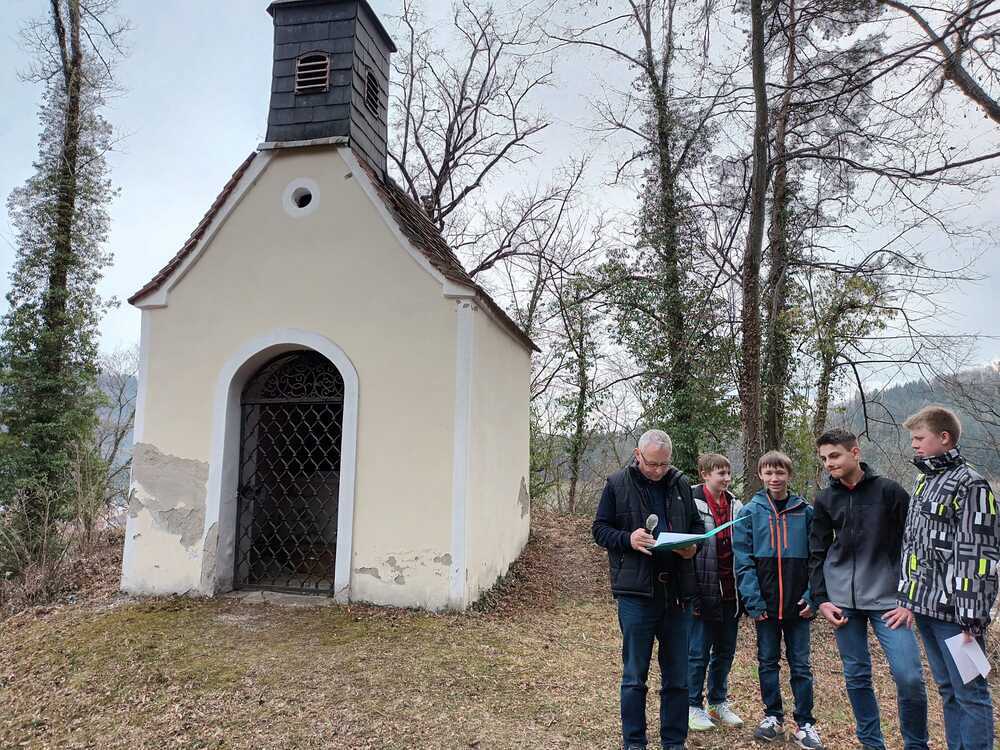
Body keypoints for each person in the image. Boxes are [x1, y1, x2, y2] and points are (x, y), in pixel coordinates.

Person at [809, 428, 928, 750]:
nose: (828, 463)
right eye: (824, 458)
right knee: (857, 676)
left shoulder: (890, 491)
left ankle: (917, 744)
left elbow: (914, 547)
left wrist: (908, 598)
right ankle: (871, 744)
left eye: (834, 455)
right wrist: (821, 600)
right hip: (842, 602)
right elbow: (817, 551)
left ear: (855, 452)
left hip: (889, 601)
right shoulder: (825, 499)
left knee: (909, 677)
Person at [593, 429, 705, 750]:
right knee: (634, 676)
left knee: (677, 677)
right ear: (637, 455)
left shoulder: (680, 484)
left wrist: (692, 547)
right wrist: (628, 538)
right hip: (637, 595)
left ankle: (674, 742)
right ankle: (634, 743)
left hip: (677, 594)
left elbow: (697, 527)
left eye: (664, 464)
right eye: (652, 463)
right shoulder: (617, 484)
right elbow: (600, 530)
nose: (658, 470)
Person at [897, 405, 998, 750]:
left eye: (919, 438)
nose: (914, 444)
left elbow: (978, 555)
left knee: (971, 694)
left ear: (944, 437)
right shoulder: (924, 481)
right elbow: (914, 546)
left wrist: (972, 618)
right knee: (948, 690)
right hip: (926, 610)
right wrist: (908, 599)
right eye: (913, 439)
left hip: (957, 617)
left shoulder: (971, 484)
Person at [733, 450, 822, 750]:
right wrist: (753, 601)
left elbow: (817, 559)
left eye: (780, 472)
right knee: (767, 662)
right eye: (769, 472)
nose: (774, 478)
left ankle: (805, 724)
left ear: (789, 475)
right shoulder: (749, 512)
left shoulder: (805, 512)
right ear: (760, 474)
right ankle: (773, 717)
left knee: (801, 666)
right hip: (766, 607)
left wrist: (812, 597)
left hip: (798, 607)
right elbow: (743, 560)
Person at [687, 453, 745, 733]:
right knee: (698, 653)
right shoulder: (690, 502)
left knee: (725, 651)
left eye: (728, 473)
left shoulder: (736, 505)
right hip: (702, 590)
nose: (726, 478)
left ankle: (718, 702)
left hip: (731, 592)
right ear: (705, 474)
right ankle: (692, 705)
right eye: (720, 473)